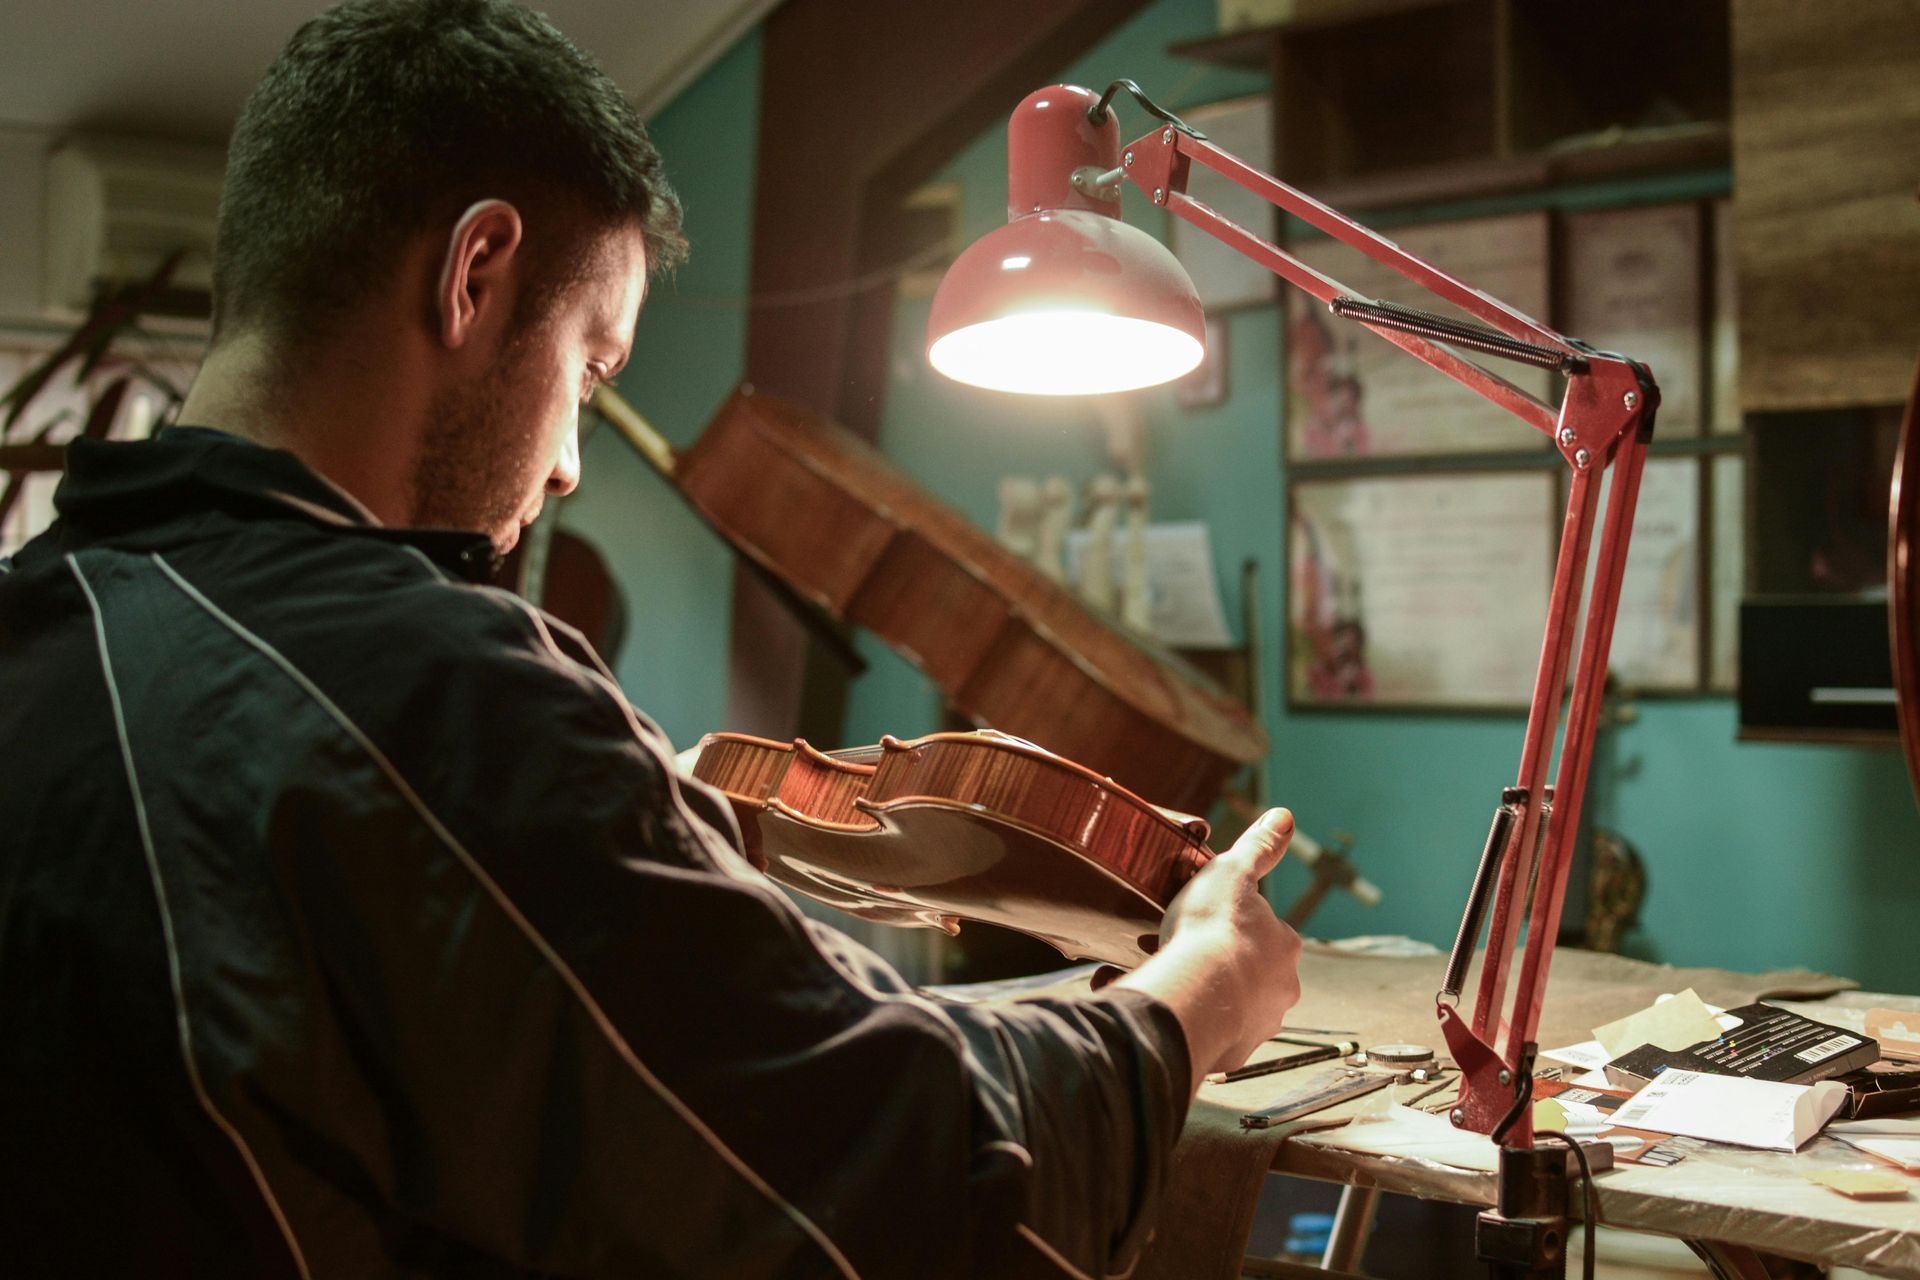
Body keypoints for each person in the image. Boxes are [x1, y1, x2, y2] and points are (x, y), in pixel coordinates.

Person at [0, 2, 1303, 1276]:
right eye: (590, 366)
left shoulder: (43, 629)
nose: (569, 465)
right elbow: (908, 1183)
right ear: (475, 275)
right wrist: (1193, 999)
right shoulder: (436, 696)